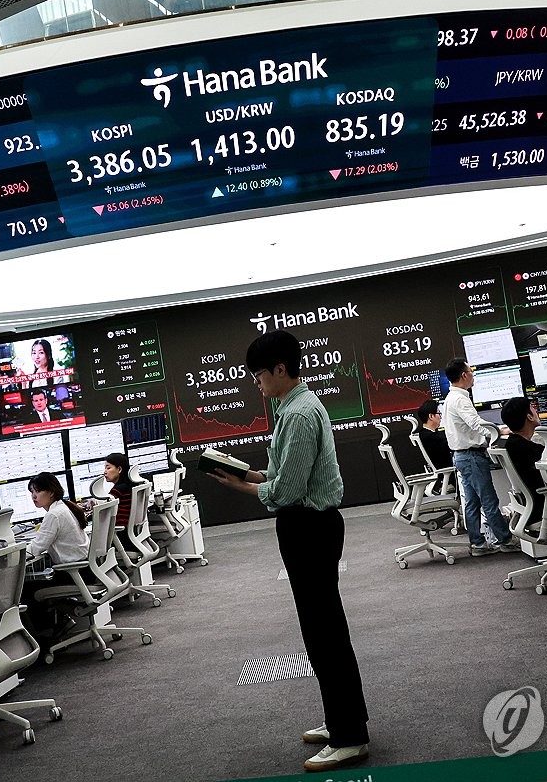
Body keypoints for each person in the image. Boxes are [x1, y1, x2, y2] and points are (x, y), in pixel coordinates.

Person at [209, 330, 369, 773]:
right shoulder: (293, 408)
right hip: (309, 527)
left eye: (259, 374)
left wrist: (243, 487)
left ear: (280, 369)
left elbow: (287, 491)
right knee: (322, 632)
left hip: (308, 528)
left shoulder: (297, 414)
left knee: (325, 634)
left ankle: (350, 737)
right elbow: (280, 475)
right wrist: (248, 474)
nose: (256, 382)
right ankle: (342, 721)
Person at [441, 358, 520, 555]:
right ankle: (505, 540)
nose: (473, 375)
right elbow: (476, 424)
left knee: (472, 502)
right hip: (471, 457)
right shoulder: (460, 399)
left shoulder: (451, 398)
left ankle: (477, 543)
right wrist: (500, 431)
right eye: (471, 371)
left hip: (461, 456)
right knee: (488, 500)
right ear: (464, 375)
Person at [23, 472, 89, 637]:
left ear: (51, 492)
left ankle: (45, 635)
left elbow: (35, 549)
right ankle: (61, 621)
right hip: (84, 570)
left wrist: (11, 554)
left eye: (38, 491)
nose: (34, 496)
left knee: (25, 589)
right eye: (32, 492)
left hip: (73, 574)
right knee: (38, 580)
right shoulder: (63, 508)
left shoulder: (53, 515)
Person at [500, 397, 547, 522]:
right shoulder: (523, 447)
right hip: (543, 507)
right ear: (530, 417)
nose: (537, 412)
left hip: (531, 506)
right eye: (533, 409)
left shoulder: (515, 443)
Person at [415, 399, 451, 471]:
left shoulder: (424, 434)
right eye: (439, 413)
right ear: (431, 416)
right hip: (447, 471)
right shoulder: (432, 438)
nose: (441, 417)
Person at [104, 452, 135, 529]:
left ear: (119, 469)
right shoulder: (130, 485)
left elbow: (105, 511)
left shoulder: (117, 491)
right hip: (130, 529)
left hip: (120, 531)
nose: (105, 472)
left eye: (108, 468)